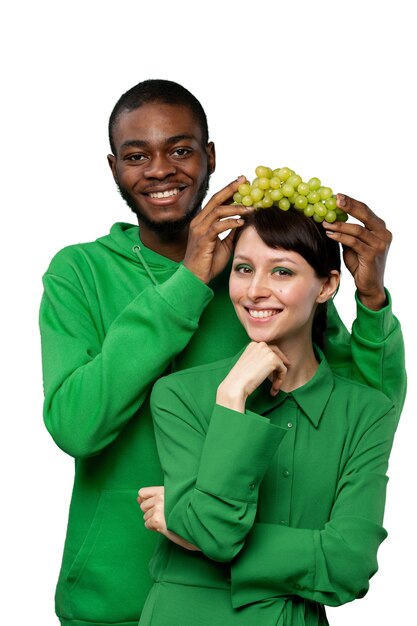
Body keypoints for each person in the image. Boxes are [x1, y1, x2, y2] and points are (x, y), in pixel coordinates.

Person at [39, 78, 406, 626]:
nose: (161, 170)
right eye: (138, 156)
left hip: (251, 595)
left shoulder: (258, 285)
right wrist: (188, 282)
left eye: (181, 150)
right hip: (113, 594)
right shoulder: (80, 272)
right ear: (114, 167)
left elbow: (363, 413)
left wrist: (372, 300)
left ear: (210, 157)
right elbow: (76, 426)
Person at [138, 206, 400, 625]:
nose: (255, 290)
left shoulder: (367, 412)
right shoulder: (179, 395)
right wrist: (232, 397)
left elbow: (349, 567)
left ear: (325, 286)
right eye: (243, 269)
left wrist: (191, 521)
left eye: (282, 272)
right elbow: (218, 534)